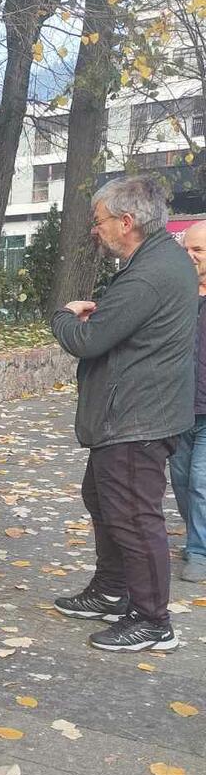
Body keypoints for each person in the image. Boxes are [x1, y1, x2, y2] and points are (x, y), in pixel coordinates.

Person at [51, 174, 197, 652]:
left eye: (100, 221)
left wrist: (64, 316)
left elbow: (88, 340)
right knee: (102, 499)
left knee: (133, 516)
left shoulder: (149, 273)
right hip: (135, 412)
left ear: (127, 221)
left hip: (136, 416)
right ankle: (112, 590)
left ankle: (153, 621)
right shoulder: (159, 261)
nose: (96, 229)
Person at [169, 219, 206, 582]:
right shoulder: (176, 293)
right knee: (180, 481)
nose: (190, 256)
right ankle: (198, 535)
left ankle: (198, 550)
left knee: (200, 481)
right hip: (177, 406)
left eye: (198, 250)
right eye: (186, 249)